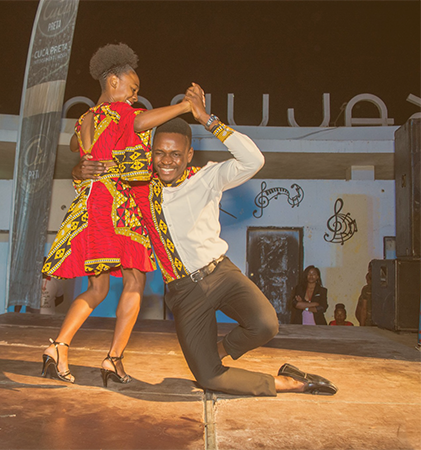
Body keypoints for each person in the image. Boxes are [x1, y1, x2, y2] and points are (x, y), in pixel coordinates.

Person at [73, 84, 337, 396]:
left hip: (221, 274)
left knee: (266, 325)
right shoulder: (138, 186)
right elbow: (92, 174)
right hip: (185, 293)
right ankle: (290, 382)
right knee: (209, 378)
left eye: (174, 154)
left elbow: (253, 160)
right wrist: (80, 169)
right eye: (159, 153)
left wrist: (206, 118)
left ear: (188, 155)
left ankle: (217, 350)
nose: (166, 161)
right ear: (151, 154)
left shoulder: (207, 177)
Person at [41, 43, 193, 385]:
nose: (135, 97)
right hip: (115, 206)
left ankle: (58, 346)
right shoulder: (120, 113)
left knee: (97, 287)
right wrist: (183, 106)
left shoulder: (86, 119)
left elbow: (73, 148)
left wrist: (83, 167)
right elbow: (140, 122)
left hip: (90, 206)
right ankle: (113, 359)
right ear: (113, 81)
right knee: (135, 280)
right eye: (133, 88)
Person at [355, 262, 373, 326]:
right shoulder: (367, 289)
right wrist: (362, 327)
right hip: (369, 324)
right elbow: (363, 309)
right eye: (370, 270)